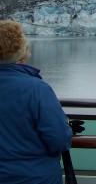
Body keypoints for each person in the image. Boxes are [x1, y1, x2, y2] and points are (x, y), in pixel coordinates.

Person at [0, 20, 74, 184]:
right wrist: (68, 128)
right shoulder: (36, 89)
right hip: (33, 176)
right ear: (21, 51)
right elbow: (59, 139)